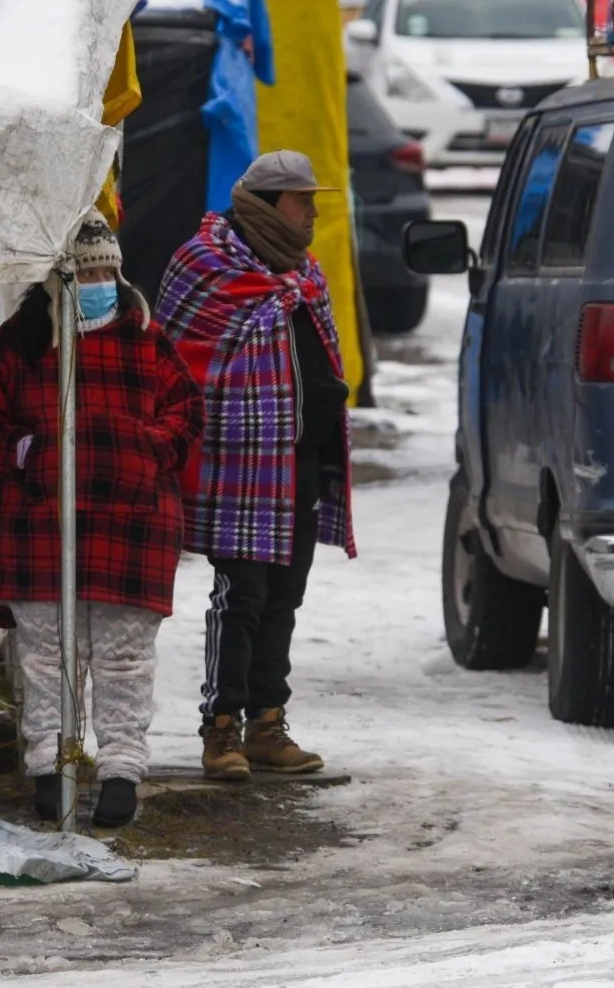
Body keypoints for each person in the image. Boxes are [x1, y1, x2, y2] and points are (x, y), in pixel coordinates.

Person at [0, 214, 203, 828]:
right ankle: (50, 764)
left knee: (123, 658)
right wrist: (25, 451)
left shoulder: (147, 337)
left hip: (132, 526)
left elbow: (186, 410)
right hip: (42, 525)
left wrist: (146, 450)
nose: (100, 281)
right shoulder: (20, 341)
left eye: (107, 271)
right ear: (58, 276)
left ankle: (121, 770)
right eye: (87, 271)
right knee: (44, 657)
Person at [155, 150, 355, 782]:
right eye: (303, 202)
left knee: (284, 598)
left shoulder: (303, 273)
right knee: (242, 595)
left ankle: (269, 724)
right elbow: (178, 361)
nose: (314, 213)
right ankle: (222, 731)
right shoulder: (205, 266)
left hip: (299, 460)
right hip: (239, 464)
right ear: (267, 206)